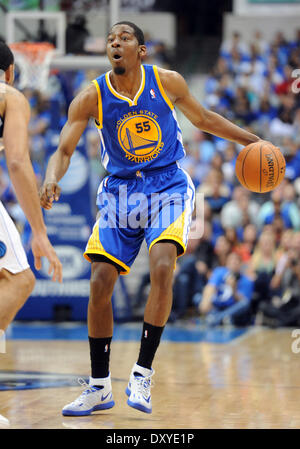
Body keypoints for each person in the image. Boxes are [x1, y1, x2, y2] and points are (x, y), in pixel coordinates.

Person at [39, 21, 266, 416]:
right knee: (99, 282)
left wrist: (253, 140)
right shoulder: (90, 97)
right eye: (111, 39)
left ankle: (142, 373)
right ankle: (98, 386)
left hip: (169, 186)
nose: (115, 43)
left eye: (124, 38)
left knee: (162, 264)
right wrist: (50, 177)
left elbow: (205, 119)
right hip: (121, 190)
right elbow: (64, 148)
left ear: (141, 50)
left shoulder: (167, 82)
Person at [0, 42, 62, 332]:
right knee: (19, 279)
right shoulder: (9, 96)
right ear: (10, 72)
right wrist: (39, 230)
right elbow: (17, 161)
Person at [199, 252, 254, 326]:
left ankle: (216, 319)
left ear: (241, 264)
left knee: (245, 304)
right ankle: (222, 319)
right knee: (198, 298)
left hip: (232, 308)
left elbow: (243, 302)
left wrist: (233, 289)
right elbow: (210, 286)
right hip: (217, 305)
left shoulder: (246, 280)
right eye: (231, 261)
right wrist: (205, 301)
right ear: (227, 263)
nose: (233, 264)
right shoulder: (219, 272)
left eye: (236, 262)